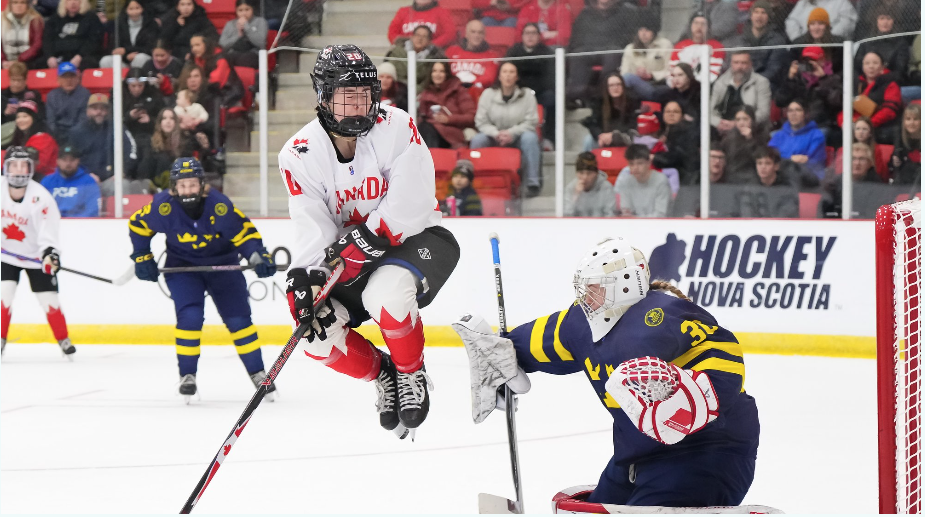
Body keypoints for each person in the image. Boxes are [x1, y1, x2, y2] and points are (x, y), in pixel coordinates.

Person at [452, 237, 759, 506]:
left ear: (624, 285)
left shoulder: (662, 316)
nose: (586, 299)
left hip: (707, 454)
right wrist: (500, 357)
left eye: (594, 290)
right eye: (584, 290)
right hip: (634, 457)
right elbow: (538, 342)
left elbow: (724, 353)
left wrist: (694, 401)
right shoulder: (580, 324)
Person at [277, 45, 460, 436]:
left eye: (364, 96)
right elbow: (312, 225)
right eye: (347, 97)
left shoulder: (396, 125)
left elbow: (413, 202)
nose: (359, 106)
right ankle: (385, 374)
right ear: (324, 97)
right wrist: (306, 278)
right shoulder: (298, 152)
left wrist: (368, 237)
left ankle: (412, 373)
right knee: (316, 337)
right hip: (352, 258)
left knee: (387, 296)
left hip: (417, 239)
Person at [128, 157, 278, 400]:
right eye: (183, 185)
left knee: (239, 319)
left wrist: (257, 256)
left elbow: (244, 234)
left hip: (223, 265)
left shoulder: (219, 205)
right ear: (174, 187)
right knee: (190, 317)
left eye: (193, 184)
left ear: (202, 185)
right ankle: (187, 376)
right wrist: (142, 256)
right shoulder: (162, 207)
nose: (188, 190)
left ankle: (258, 373)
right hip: (183, 266)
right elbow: (138, 226)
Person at [0, 147, 75, 357]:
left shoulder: (41, 197)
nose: (18, 170)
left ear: (30, 168)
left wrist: (50, 254)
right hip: (5, 254)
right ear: (6, 168)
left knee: (49, 298)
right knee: (4, 294)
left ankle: (63, 339)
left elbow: (48, 231)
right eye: (13, 165)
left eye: (23, 165)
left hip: (35, 257)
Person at [471, 61, 542, 196]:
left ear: (517, 77)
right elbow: (480, 121)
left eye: (511, 72)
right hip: (493, 136)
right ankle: (476, 181)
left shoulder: (527, 95)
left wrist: (511, 133)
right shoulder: (487, 94)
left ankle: (533, 183)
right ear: (499, 76)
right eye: (505, 72)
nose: (508, 76)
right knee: (477, 140)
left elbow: (532, 121)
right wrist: (496, 133)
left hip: (518, 136)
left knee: (530, 138)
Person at [565, 0, 639, 103]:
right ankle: (577, 93)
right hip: (589, 48)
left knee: (613, 54)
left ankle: (602, 92)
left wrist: (616, 43)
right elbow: (577, 35)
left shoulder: (625, 12)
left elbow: (629, 35)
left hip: (611, 48)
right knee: (578, 54)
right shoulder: (586, 13)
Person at [68, 93, 139, 195]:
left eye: (102, 109)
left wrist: (122, 172)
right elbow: (69, 158)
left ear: (108, 111)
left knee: (123, 185)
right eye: (95, 108)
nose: (99, 112)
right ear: (87, 111)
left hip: (112, 180)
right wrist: (86, 174)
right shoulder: (76, 132)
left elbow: (132, 150)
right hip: (85, 181)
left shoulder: (117, 127)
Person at [506, 23, 555, 146]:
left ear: (539, 36)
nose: (530, 36)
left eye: (533, 33)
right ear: (522, 36)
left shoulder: (547, 52)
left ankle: (548, 138)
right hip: (518, 92)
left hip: (540, 93)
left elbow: (550, 78)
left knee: (552, 98)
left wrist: (534, 91)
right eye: (527, 33)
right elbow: (507, 74)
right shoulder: (513, 52)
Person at [774, 46, 842, 135]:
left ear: (822, 60)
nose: (809, 64)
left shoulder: (832, 78)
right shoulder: (797, 79)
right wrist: (790, 79)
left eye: (813, 60)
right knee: (773, 136)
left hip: (820, 125)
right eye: (805, 61)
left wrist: (823, 79)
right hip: (795, 126)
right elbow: (780, 101)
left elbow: (836, 102)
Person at [840, 51, 902, 143]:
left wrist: (867, 125)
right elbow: (844, 108)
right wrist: (844, 122)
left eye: (875, 63)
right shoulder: (855, 84)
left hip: (881, 128)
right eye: (867, 63)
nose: (871, 66)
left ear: (882, 67)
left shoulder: (891, 84)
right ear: (863, 66)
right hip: (856, 127)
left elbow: (889, 111)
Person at [417, 62, 476, 149]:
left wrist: (448, 119)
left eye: (441, 71)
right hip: (430, 130)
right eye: (434, 71)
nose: (437, 74)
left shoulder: (458, 90)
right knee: (423, 128)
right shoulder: (425, 93)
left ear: (447, 74)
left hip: (452, 132)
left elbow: (471, 117)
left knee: (426, 129)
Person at [730, 1, 789, 88]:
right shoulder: (740, 40)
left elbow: (774, 70)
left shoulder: (778, 41)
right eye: (756, 12)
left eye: (763, 12)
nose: (759, 16)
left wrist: (751, 82)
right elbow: (732, 66)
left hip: (766, 85)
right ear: (751, 16)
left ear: (769, 17)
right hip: (742, 83)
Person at [710, 51, 771, 134]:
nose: (739, 66)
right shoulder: (720, 82)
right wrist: (718, 123)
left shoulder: (761, 82)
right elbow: (710, 110)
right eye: (736, 62)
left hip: (751, 129)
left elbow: (763, 113)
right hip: (722, 127)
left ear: (750, 64)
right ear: (731, 64)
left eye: (743, 63)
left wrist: (738, 124)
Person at [820, 143, 885, 218]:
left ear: (870, 163)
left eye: (862, 159)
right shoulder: (835, 183)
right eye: (853, 159)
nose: (857, 163)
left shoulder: (877, 185)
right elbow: (825, 210)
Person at [768, 99, 827, 182]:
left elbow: (812, 160)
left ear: (805, 114)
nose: (793, 114)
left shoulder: (816, 135)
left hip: (809, 179)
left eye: (798, 110)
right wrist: (790, 158)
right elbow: (770, 156)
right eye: (790, 111)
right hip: (782, 178)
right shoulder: (779, 135)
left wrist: (783, 158)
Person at [619, 13, 673, 101]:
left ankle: (654, 96)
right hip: (636, 85)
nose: (643, 33)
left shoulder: (665, 45)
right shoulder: (630, 48)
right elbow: (624, 74)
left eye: (647, 30)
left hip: (658, 84)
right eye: (640, 30)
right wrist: (636, 75)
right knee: (628, 77)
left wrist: (651, 75)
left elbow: (669, 70)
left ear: (654, 31)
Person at [582, 73, 640, 151]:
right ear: (607, 88)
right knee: (588, 140)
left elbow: (633, 125)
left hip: (625, 136)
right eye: (611, 85)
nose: (615, 88)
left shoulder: (632, 101)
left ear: (623, 86)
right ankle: (587, 162)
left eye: (618, 84)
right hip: (604, 137)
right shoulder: (599, 102)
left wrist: (613, 135)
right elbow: (593, 123)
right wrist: (600, 135)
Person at [40, 143, 100, 217]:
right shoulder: (47, 181)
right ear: (57, 161)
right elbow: (40, 207)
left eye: (72, 160)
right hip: (53, 224)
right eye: (64, 160)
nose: (68, 163)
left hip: (80, 225)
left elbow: (93, 209)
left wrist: (75, 223)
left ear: (78, 161)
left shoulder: (88, 181)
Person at [139, 108, 193, 189]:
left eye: (171, 118)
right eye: (164, 118)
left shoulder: (184, 144)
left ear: (176, 122)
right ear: (159, 123)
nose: (168, 121)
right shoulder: (150, 144)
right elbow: (145, 171)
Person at [853, 6, 909, 83]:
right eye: (882, 18)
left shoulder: (901, 43)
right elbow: (857, 65)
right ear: (876, 21)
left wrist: (880, 79)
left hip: (891, 82)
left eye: (889, 18)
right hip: (866, 82)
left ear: (894, 21)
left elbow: (900, 70)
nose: (885, 22)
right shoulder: (866, 41)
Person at [42, 0, 103, 70]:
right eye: (69, 0)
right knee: (40, 64)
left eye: (77, 0)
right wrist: (50, 56)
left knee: (88, 63)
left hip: (83, 56)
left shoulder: (91, 18)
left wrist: (80, 56)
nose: (73, 2)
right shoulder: (54, 19)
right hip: (59, 55)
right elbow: (47, 40)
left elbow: (94, 41)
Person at [384, 25, 447, 93]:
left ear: (429, 41)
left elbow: (428, 81)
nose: (420, 39)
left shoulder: (434, 57)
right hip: (398, 91)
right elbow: (391, 75)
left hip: (422, 93)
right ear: (412, 36)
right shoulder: (396, 53)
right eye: (417, 35)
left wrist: (416, 90)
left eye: (424, 36)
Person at [614, 144, 671, 217]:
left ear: (649, 162)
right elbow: (627, 214)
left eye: (640, 163)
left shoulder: (661, 181)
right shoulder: (625, 182)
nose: (635, 168)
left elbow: (660, 215)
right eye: (631, 164)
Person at [99, 0, 159, 69]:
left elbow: (151, 48)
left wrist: (127, 50)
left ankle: (136, 78)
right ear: (126, 10)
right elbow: (114, 47)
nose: (134, 12)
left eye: (137, 8)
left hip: (143, 57)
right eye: (131, 9)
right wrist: (125, 56)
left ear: (142, 8)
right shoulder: (120, 24)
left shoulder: (151, 24)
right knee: (105, 60)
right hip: (124, 60)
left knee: (140, 58)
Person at [742, 146, 798, 218]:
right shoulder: (750, 187)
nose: (763, 167)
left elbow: (787, 215)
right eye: (759, 163)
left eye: (767, 163)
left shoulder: (787, 187)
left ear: (776, 166)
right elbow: (746, 213)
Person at [651, 101, 699, 186]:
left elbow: (674, 157)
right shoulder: (658, 132)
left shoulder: (686, 134)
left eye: (675, 112)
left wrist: (654, 157)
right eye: (668, 111)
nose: (671, 114)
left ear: (682, 116)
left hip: (680, 178)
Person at [189, 34, 244, 108]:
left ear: (207, 45)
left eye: (197, 45)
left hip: (226, 94)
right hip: (208, 92)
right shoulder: (196, 58)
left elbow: (215, 82)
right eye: (192, 46)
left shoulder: (221, 58)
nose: (194, 49)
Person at [669, 12, 725, 84]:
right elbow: (673, 70)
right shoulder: (680, 46)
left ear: (708, 27)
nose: (699, 27)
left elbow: (713, 74)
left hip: (705, 86)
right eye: (696, 23)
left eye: (703, 24)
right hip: (682, 86)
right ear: (690, 26)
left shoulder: (716, 46)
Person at [9, 101, 58, 180]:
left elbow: (39, 165)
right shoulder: (22, 136)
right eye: (18, 117)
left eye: (25, 116)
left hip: (46, 179)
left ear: (34, 118)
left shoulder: (43, 137)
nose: (21, 120)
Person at [720, 106, 768, 185]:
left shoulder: (761, 136)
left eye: (745, 119)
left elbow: (760, 159)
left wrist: (750, 139)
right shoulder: (729, 138)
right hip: (731, 176)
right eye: (738, 119)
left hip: (752, 176)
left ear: (752, 120)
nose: (741, 123)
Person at [446, 20, 500, 89]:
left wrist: (470, 84)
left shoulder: (492, 56)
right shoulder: (451, 51)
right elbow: (444, 72)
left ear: (484, 35)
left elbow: (489, 78)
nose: (476, 35)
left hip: (477, 93)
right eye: (473, 32)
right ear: (466, 34)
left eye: (480, 33)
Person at [122, 68, 165, 157]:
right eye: (133, 86)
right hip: (127, 136)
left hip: (149, 135)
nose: (137, 89)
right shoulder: (120, 95)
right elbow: (112, 119)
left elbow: (163, 116)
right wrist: (129, 116)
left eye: (140, 85)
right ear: (127, 85)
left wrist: (150, 120)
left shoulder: (154, 94)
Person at [789, 8, 845, 75]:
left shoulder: (838, 44)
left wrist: (824, 75)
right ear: (808, 27)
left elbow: (841, 69)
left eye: (820, 23)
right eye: (812, 24)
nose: (816, 28)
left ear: (827, 26)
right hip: (804, 81)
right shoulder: (798, 44)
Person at [44, 61, 90, 141]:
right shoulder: (52, 95)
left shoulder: (85, 94)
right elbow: (51, 121)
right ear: (58, 79)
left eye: (72, 76)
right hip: (57, 136)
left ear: (77, 78)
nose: (69, 80)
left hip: (78, 136)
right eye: (65, 77)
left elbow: (83, 121)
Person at [387, 0, 457, 49]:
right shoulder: (403, 11)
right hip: (405, 53)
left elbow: (450, 34)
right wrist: (408, 43)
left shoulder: (441, 12)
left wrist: (429, 45)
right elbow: (392, 34)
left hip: (431, 55)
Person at [218, 0, 267, 69]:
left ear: (252, 9)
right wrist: (238, 35)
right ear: (236, 11)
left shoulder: (260, 21)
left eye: (247, 9)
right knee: (221, 59)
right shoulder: (230, 24)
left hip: (253, 54)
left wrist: (247, 27)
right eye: (240, 10)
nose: (244, 13)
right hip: (234, 53)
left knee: (244, 59)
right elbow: (222, 44)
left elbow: (261, 43)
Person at [564, 151, 616, 217]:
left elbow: (611, 216)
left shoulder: (607, 188)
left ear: (596, 173)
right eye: (581, 173)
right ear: (576, 173)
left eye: (589, 173)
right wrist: (575, 196)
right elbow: (565, 218)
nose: (585, 177)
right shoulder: (570, 188)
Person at [1, 0, 45, 69]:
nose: (19, 5)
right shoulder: (1, 18)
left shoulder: (36, 20)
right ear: (10, 4)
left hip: (28, 62)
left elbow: (37, 44)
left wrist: (19, 60)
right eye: (15, 2)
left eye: (23, 2)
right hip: (5, 62)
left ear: (27, 5)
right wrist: (3, 61)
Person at [786, 0, 856, 40]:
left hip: (833, 45)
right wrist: (800, 39)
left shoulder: (840, 2)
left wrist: (828, 37)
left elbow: (848, 21)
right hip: (806, 44)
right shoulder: (803, 3)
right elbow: (791, 21)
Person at [889, 104, 921, 186]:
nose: (911, 123)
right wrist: (894, 162)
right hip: (904, 183)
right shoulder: (899, 140)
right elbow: (891, 166)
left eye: (916, 119)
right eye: (908, 119)